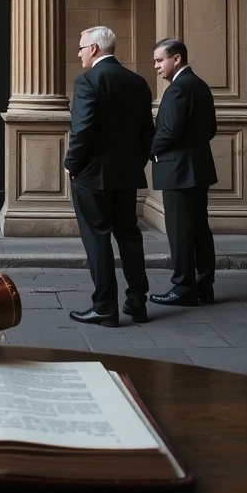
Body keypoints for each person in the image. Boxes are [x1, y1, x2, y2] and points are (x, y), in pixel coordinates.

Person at [64, 26, 155, 327]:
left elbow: (82, 131)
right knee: (129, 236)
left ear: (93, 49)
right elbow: (147, 134)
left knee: (97, 239)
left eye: (80, 47)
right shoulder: (138, 82)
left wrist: (70, 164)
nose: (78, 53)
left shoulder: (88, 80)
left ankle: (104, 307)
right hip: (127, 174)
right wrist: (135, 164)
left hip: (91, 175)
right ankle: (137, 303)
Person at [149, 38, 218, 307]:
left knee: (179, 231)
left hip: (177, 171)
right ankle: (204, 286)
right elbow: (210, 129)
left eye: (159, 60)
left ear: (176, 59)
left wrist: (147, 150)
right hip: (198, 169)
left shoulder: (179, 88)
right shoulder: (199, 85)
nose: (156, 66)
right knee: (200, 229)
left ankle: (182, 289)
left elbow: (169, 131)